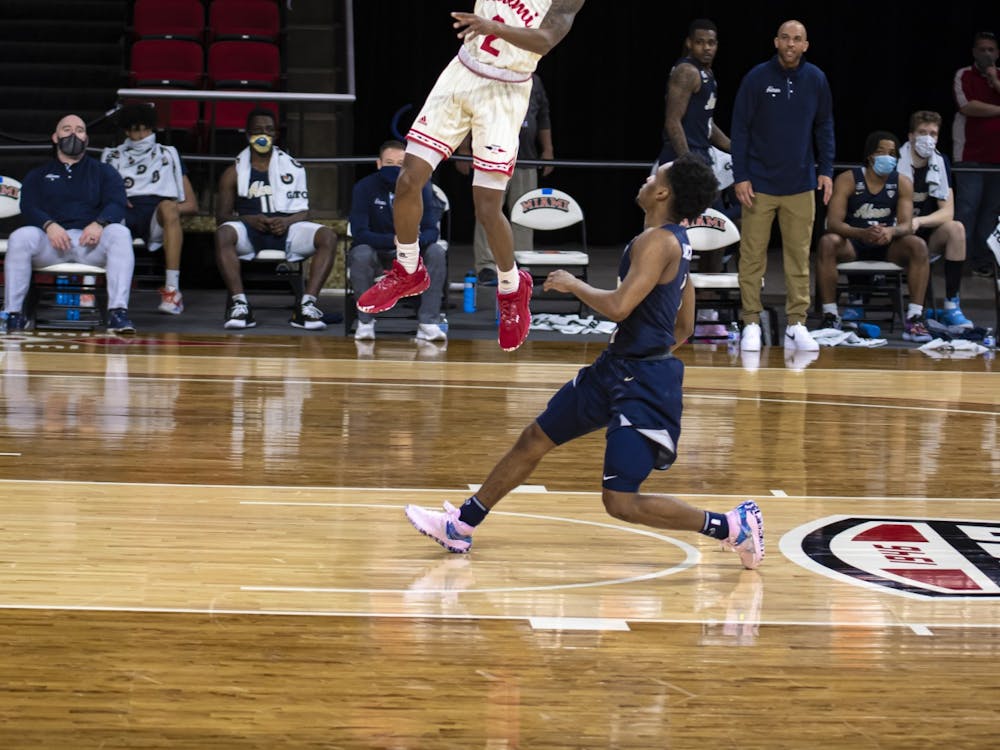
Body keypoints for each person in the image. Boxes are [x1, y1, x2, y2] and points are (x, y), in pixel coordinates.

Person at [404, 154, 765, 571]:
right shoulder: (675, 240)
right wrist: (647, 345)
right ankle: (461, 525)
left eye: (654, 176)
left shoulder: (657, 241)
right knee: (534, 438)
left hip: (641, 381)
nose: (646, 180)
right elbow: (685, 323)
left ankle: (730, 526)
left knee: (620, 502)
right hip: (618, 368)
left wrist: (574, 283)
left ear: (663, 192)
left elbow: (618, 306)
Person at [356, 1, 585, 352]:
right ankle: (408, 269)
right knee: (407, 179)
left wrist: (492, 28)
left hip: (505, 93)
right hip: (462, 73)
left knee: (487, 208)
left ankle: (511, 288)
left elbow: (544, 39)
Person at [730, 19, 834, 353]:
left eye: (797, 39)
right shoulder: (757, 78)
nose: (791, 44)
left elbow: (825, 126)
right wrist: (741, 175)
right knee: (751, 257)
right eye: (785, 38)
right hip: (759, 184)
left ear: (806, 45)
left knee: (799, 257)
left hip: (801, 183)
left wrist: (826, 170)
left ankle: (796, 323)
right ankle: (750, 321)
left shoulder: (816, 79)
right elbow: (740, 129)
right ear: (776, 42)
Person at [4, 113, 136, 334]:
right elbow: (28, 206)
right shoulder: (38, 174)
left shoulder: (104, 172)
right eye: (67, 129)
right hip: (51, 243)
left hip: (90, 243)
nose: (74, 133)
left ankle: (117, 313)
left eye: (80, 130)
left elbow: (117, 202)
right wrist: (49, 225)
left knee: (120, 233)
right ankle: (13, 314)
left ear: (86, 139)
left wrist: (99, 223)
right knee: (20, 236)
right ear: (55, 137)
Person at [214, 107, 337, 330]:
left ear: (276, 134)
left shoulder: (294, 168)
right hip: (250, 230)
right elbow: (221, 217)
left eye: (269, 130)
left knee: (327, 236)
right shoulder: (233, 172)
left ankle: (306, 307)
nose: (264, 135)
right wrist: (248, 220)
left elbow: (306, 212)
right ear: (248, 134)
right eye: (258, 130)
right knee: (224, 233)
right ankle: (240, 305)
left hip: (287, 229)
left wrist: (288, 221)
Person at [814, 130, 932, 343]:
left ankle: (915, 318)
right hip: (853, 241)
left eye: (892, 153)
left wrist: (890, 232)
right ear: (870, 155)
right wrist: (861, 233)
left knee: (918, 245)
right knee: (827, 242)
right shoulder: (848, 179)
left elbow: (906, 225)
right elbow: (833, 223)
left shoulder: (902, 182)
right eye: (881, 152)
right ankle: (831, 315)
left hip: (887, 243)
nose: (887, 157)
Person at [455, 73, 554, 285]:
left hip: (525, 158)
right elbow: (468, 113)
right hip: (491, 156)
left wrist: (547, 149)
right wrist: (463, 148)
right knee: (488, 212)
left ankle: (521, 263)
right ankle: (487, 266)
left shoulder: (534, 80)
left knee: (525, 214)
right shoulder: (486, 75)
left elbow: (543, 115)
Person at [101, 103, 198, 316]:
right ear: (127, 131)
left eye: (146, 129)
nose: (142, 135)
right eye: (136, 130)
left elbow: (192, 204)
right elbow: (98, 199)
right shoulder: (111, 156)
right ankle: (97, 290)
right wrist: (115, 199)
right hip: (124, 212)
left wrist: (170, 208)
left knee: (169, 207)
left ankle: (172, 290)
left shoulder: (169, 154)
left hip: (156, 216)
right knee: (104, 214)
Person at [349, 140, 448, 342]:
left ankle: (428, 323)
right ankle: (365, 322)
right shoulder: (364, 187)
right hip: (378, 253)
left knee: (436, 252)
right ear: (379, 164)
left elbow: (431, 231)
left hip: (412, 254)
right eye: (389, 162)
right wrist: (392, 240)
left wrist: (408, 242)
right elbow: (359, 233)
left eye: (400, 163)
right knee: (360, 254)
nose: (395, 167)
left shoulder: (422, 186)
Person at [898, 110, 973, 329]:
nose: (928, 138)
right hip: (897, 235)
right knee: (913, 240)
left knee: (956, 228)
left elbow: (947, 212)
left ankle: (952, 305)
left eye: (933, 133)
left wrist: (920, 221)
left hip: (924, 233)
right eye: (922, 132)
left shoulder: (940, 162)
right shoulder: (896, 160)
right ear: (911, 136)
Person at [952, 30, 1000, 277]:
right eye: (982, 49)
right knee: (967, 208)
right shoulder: (964, 75)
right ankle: (959, 259)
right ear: (974, 52)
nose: (987, 53)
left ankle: (983, 261)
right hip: (970, 155)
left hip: (997, 160)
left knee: (991, 212)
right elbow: (968, 106)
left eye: (991, 49)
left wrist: (995, 81)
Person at [655, 19, 730, 169]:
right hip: (682, 154)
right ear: (689, 43)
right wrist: (688, 162)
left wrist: (735, 148)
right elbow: (672, 122)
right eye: (700, 42)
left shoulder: (708, 73)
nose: (706, 48)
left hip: (702, 153)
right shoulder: (687, 71)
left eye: (711, 43)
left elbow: (707, 124)